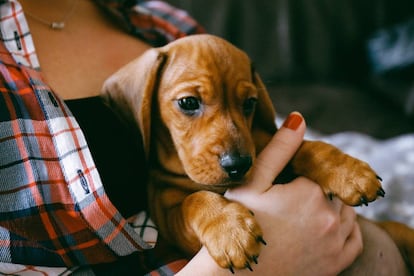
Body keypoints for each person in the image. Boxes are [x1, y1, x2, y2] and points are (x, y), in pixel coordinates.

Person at [0, 0, 406, 275]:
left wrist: (319, 158)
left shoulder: (163, 24)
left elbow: (271, 140)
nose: (230, 146)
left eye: (246, 105)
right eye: (190, 104)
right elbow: (178, 212)